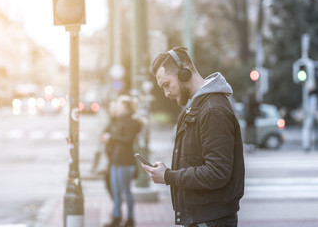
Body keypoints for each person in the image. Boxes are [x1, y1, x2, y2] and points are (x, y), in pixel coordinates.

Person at [141, 46, 245, 227]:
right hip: (202, 218)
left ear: (184, 75)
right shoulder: (200, 108)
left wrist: (169, 176)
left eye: (166, 84)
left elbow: (217, 172)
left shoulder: (213, 110)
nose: (166, 93)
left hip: (210, 220)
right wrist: (167, 171)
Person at [101, 95, 142, 227]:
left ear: (125, 106)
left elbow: (128, 139)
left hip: (126, 161)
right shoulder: (118, 119)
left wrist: (111, 137)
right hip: (115, 160)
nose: (116, 106)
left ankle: (130, 219)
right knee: (116, 191)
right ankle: (116, 218)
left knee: (126, 191)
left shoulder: (133, 121)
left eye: (118, 104)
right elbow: (110, 131)